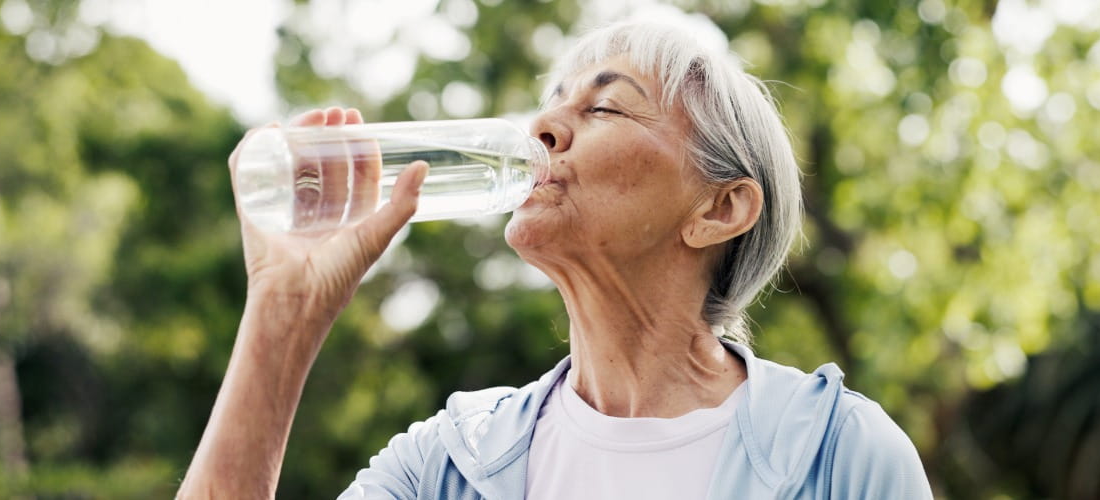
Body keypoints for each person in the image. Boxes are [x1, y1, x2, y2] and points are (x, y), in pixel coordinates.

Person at [178, 21, 932, 499]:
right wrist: (283, 313)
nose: (542, 125)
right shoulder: (448, 465)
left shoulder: (838, 458)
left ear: (718, 209)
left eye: (603, 107)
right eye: (553, 100)